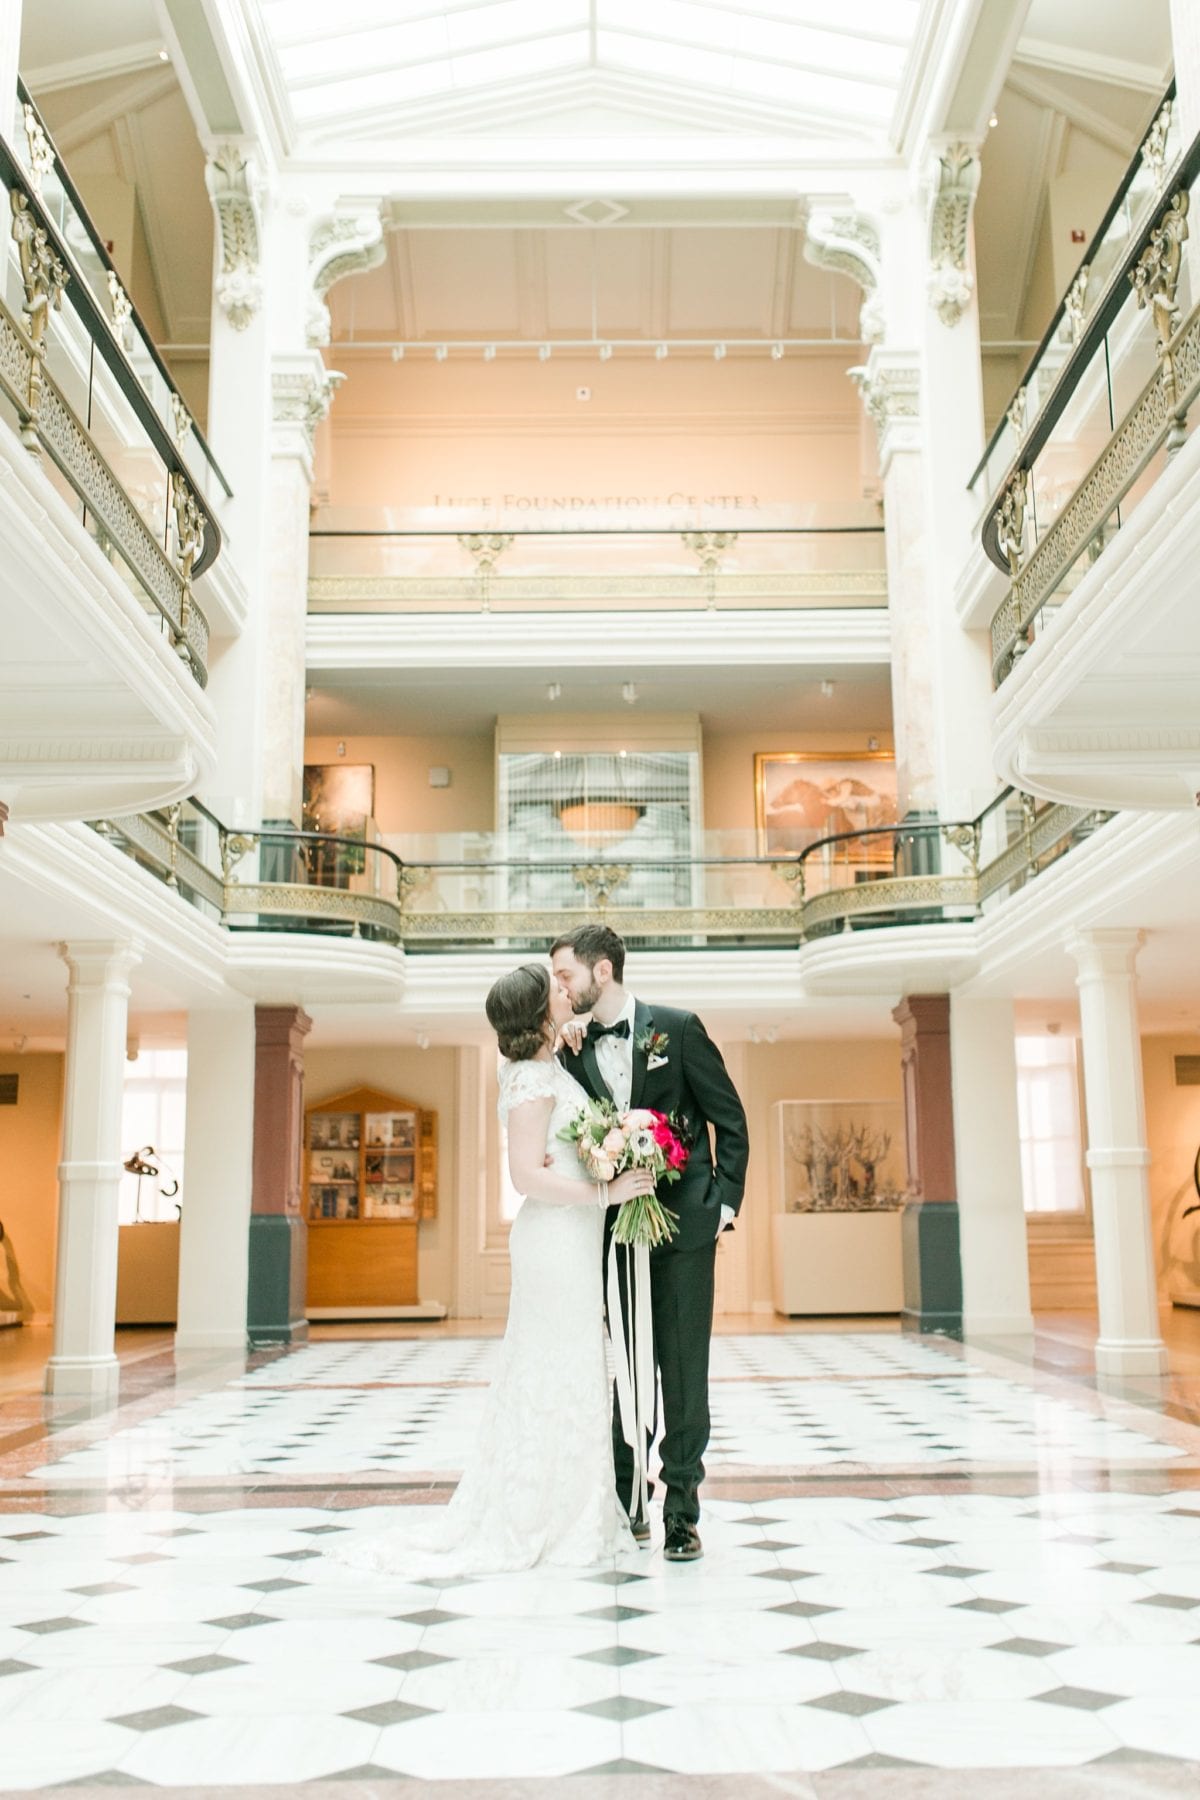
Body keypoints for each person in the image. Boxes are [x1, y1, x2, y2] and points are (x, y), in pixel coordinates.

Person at [331, 962, 654, 1578]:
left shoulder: (548, 1065)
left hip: (575, 1238)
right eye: (558, 988)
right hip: (554, 1239)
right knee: (557, 1367)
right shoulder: (530, 1081)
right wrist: (606, 1195)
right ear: (537, 1012)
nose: (568, 990)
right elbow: (525, 1176)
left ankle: (580, 1508)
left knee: (580, 1365)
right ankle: (544, 1515)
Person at [551, 924, 749, 1564]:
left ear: (600, 971)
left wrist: (721, 1205)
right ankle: (630, 1498)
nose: (560, 986)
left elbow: (730, 1121)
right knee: (627, 1372)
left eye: (565, 975)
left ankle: (682, 1515)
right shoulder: (571, 1051)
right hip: (612, 1236)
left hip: (685, 1232)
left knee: (684, 1374)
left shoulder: (678, 1028)